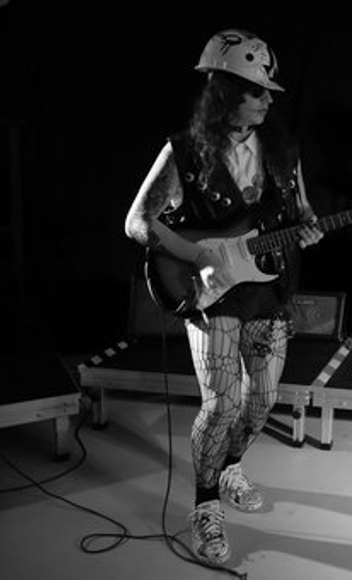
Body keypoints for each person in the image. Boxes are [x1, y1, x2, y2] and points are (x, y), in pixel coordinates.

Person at [124, 29, 323, 564]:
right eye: (255, 91)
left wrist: (309, 228)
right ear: (223, 91)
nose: (267, 100)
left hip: (269, 287)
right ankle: (206, 503)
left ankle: (230, 466)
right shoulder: (184, 151)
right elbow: (137, 221)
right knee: (221, 405)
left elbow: (301, 210)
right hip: (212, 291)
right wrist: (198, 256)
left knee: (260, 403)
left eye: (268, 92)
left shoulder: (283, 149)